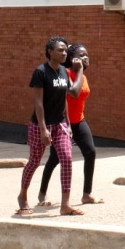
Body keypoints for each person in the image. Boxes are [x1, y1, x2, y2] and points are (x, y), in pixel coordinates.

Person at [15, 37, 84, 217]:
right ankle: (22, 196)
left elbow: (70, 96)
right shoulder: (41, 72)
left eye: (65, 50)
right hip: (40, 124)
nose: (64, 53)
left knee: (67, 158)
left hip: (60, 124)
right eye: (60, 50)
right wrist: (43, 129)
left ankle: (65, 204)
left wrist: (67, 124)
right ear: (50, 52)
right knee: (34, 161)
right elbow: (38, 103)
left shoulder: (63, 72)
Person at [37, 43, 103, 206]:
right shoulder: (64, 74)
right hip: (61, 122)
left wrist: (80, 71)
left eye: (86, 54)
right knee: (55, 158)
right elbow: (73, 93)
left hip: (78, 120)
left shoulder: (83, 77)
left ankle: (86, 194)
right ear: (72, 59)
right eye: (81, 55)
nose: (85, 58)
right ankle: (42, 194)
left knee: (90, 152)